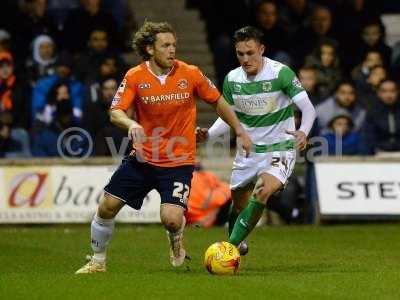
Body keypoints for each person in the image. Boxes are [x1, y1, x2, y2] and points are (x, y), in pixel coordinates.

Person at [75, 21, 252, 274]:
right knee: (107, 207)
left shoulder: (190, 73)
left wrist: (239, 130)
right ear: (149, 49)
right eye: (165, 45)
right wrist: (131, 123)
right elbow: (115, 112)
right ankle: (97, 261)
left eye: (174, 45)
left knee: (170, 219)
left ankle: (175, 235)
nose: (172, 50)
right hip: (143, 159)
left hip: (178, 162)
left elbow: (218, 102)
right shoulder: (135, 76)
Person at [199, 26, 316, 254]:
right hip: (249, 151)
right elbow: (229, 117)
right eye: (240, 53)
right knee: (239, 204)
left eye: (250, 52)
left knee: (262, 190)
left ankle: (228, 250)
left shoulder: (281, 73)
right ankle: (237, 241)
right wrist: (209, 134)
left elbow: (308, 108)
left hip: (280, 148)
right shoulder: (232, 79)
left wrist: (304, 131)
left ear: (261, 49)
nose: (245, 58)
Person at [361, 79, 400, 154]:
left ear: (397, 92)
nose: (389, 95)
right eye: (384, 91)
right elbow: (367, 138)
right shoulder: (372, 113)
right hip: (379, 153)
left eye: (392, 91)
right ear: (378, 93)